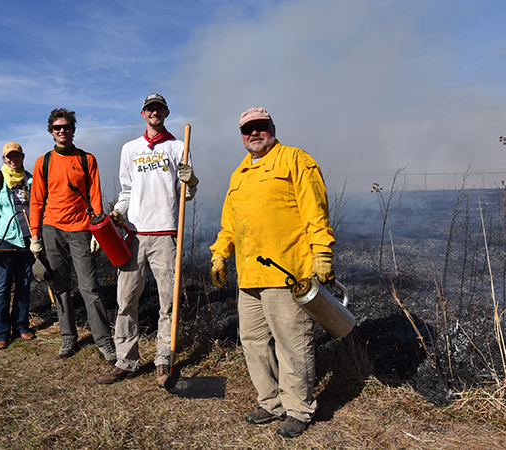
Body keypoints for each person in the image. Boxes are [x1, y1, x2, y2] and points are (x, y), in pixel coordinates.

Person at [209, 107, 335, 438]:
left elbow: (315, 212)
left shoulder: (296, 160)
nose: (254, 133)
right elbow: (230, 225)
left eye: (260, 127)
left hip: (286, 272)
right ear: (241, 135)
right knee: (253, 341)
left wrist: (321, 252)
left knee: (292, 342)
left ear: (272, 128)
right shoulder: (239, 175)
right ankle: (271, 401)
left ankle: (298, 408)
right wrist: (220, 255)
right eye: (247, 129)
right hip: (248, 276)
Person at [95, 93, 198, 387]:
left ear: (165, 112)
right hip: (135, 235)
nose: (154, 113)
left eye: (159, 108)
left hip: (167, 234)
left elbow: (188, 193)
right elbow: (126, 190)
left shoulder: (180, 147)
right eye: (149, 109)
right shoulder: (130, 149)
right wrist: (116, 213)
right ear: (143, 114)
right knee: (126, 300)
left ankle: (163, 360)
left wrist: (190, 180)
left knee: (168, 302)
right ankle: (126, 360)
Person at [28, 108, 116, 363]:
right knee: (60, 286)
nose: (62, 131)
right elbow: (36, 202)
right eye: (57, 128)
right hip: (51, 229)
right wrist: (35, 236)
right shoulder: (43, 162)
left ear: (73, 129)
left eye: (66, 126)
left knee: (90, 287)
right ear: (51, 131)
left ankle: (104, 341)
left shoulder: (87, 160)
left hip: (80, 229)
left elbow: (96, 197)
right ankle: (68, 337)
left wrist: (97, 231)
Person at [0, 142, 37, 350]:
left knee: (24, 285)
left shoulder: (31, 180)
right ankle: (0, 332)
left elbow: (40, 206)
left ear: (22, 156)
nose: (13, 160)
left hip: (28, 240)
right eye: (9, 157)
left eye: (16, 156)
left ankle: (21, 326)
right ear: (4, 159)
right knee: (2, 287)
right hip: (5, 239)